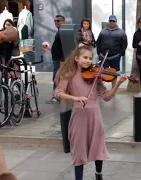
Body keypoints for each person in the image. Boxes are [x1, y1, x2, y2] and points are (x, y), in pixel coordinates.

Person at [54, 45, 127, 180]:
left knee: (98, 147)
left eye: (90, 58)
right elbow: (58, 93)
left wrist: (117, 84)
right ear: (76, 58)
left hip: (95, 116)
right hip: (78, 118)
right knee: (78, 151)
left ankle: (98, 174)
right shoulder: (69, 75)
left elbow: (106, 97)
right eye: (85, 57)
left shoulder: (96, 76)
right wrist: (75, 98)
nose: (88, 61)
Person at [0, 26, 18, 125]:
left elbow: (8, 55)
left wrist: (9, 69)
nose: (10, 42)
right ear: (5, 34)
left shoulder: (8, 43)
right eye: (9, 39)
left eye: (12, 41)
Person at [96, 15, 128, 90]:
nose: (112, 22)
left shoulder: (121, 32)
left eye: (113, 21)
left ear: (116, 22)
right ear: (108, 21)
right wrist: (98, 52)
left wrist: (120, 54)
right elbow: (98, 42)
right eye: (110, 21)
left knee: (113, 73)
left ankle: (113, 89)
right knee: (101, 72)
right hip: (103, 55)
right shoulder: (103, 31)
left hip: (115, 56)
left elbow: (124, 43)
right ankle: (101, 89)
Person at [46, 15, 66, 104]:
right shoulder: (60, 31)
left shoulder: (62, 32)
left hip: (58, 59)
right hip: (56, 58)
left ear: (63, 22)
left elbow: (64, 47)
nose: (56, 22)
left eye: (58, 21)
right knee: (57, 77)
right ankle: (58, 95)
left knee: (56, 77)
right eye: (55, 21)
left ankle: (56, 96)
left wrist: (62, 60)